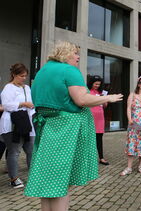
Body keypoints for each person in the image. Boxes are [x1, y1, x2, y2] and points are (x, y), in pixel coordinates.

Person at [24, 41, 123, 211]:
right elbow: (82, 99)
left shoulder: (42, 71)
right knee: (62, 181)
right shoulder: (69, 70)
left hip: (47, 127)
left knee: (50, 180)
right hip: (67, 129)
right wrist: (108, 98)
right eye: (75, 53)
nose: (78, 57)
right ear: (66, 53)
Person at [0, 63, 35, 188]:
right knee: (14, 151)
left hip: (26, 123)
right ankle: (13, 179)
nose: (24, 78)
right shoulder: (8, 88)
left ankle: (34, 175)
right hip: (12, 124)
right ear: (14, 74)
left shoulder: (27, 88)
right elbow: (6, 105)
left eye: (25, 76)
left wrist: (31, 107)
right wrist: (23, 104)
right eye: (21, 76)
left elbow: (31, 104)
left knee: (31, 149)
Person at [88, 75, 110, 166]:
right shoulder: (87, 92)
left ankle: (101, 158)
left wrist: (104, 99)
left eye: (98, 84)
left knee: (99, 138)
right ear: (91, 83)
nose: (97, 86)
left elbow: (105, 106)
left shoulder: (102, 92)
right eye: (95, 84)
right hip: (91, 117)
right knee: (89, 139)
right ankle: (89, 159)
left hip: (100, 118)